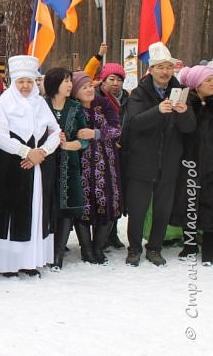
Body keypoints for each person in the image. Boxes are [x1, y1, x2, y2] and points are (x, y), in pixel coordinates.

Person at [121, 42, 196, 267]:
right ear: (151, 70)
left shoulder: (182, 93)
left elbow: (189, 128)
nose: (164, 72)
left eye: (168, 67)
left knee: (163, 210)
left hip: (169, 163)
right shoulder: (139, 94)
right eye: (160, 67)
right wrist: (157, 111)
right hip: (142, 163)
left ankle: (154, 248)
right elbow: (133, 125)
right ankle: (134, 248)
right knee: (138, 209)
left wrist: (183, 114)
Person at [0, 56, 60, 277]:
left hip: (37, 168)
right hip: (10, 167)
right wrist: (27, 152)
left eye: (30, 81)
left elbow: (57, 131)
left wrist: (43, 152)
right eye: (21, 82)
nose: (26, 86)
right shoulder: (3, 104)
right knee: (12, 213)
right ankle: (9, 264)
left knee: (36, 211)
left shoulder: (40, 104)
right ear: (13, 82)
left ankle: (30, 261)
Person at [71, 72, 123, 264]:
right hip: (80, 165)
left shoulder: (104, 103)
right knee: (83, 206)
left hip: (106, 164)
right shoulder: (73, 108)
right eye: (84, 87)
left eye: (90, 86)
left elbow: (117, 128)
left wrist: (96, 133)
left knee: (107, 203)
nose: (89, 90)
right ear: (75, 91)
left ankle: (98, 247)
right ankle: (86, 249)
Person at [44, 67, 88, 268]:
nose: (70, 85)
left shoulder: (76, 107)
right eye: (66, 81)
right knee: (47, 206)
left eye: (70, 81)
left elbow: (85, 139)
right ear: (54, 84)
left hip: (69, 165)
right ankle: (44, 249)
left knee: (67, 208)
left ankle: (58, 254)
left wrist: (71, 145)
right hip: (46, 164)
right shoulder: (41, 105)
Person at [171, 64, 213, 265]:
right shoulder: (188, 105)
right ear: (196, 85)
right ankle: (189, 245)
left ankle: (209, 248)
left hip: (211, 163)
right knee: (189, 202)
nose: (212, 84)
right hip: (190, 162)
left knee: (210, 203)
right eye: (208, 81)